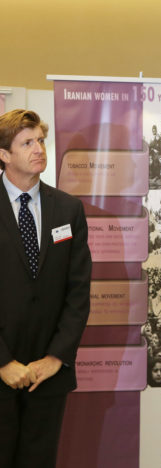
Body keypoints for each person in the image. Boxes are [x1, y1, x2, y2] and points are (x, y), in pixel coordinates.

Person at [0, 109, 92, 468]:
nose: (39, 148)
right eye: (27, 143)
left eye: (40, 140)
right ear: (4, 155)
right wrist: (3, 362)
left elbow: (78, 291)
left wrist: (55, 358)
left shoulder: (68, 209)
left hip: (48, 376)